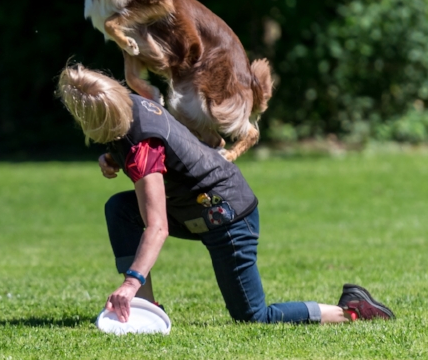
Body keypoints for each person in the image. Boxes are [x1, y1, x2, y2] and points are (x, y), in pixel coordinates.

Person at [56, 63, 395, 325]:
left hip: (228, 217)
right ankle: (146, 311)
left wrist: (129, 283)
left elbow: (156, 227)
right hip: (196, 208)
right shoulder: (127, 104)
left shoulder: (142, 147)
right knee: (121, 208)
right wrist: (112, 157)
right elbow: (157, 146)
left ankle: (350, 311)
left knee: (254, 317)